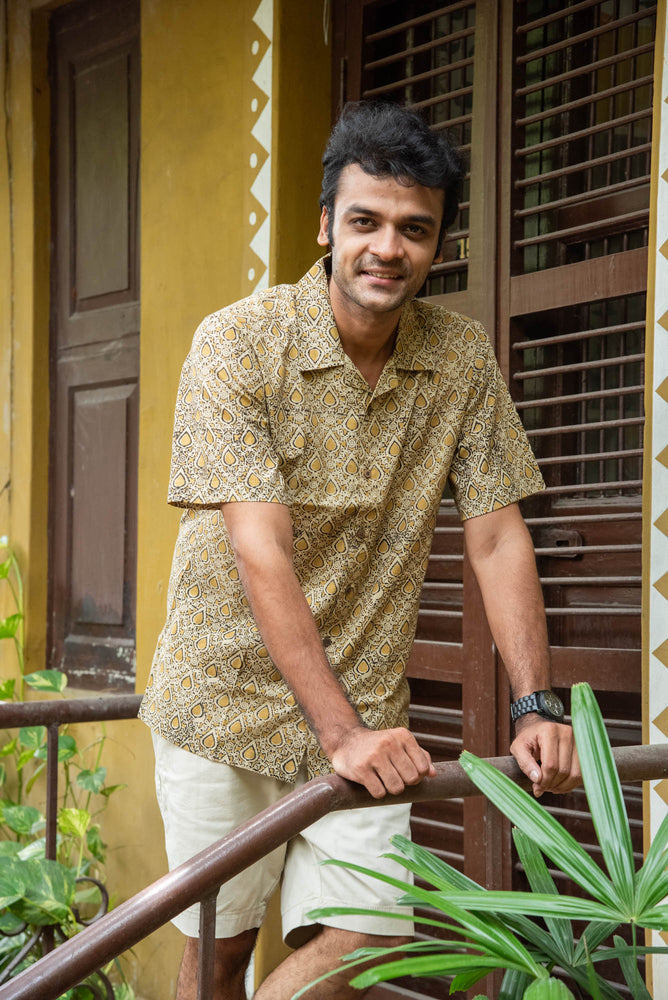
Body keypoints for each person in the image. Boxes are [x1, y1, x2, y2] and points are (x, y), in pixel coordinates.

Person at [139, 100, 580, 1000]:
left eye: (414, 229)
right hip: (224, 701)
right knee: (221, 949)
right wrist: (339, 734)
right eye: (366, 221)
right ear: (325, 226)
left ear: (439, 245)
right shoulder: (238, 344)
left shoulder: (461, 360)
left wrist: (535, 703)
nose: (387, 248)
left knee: (372, 939)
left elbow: (498, 535)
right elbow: (261, 547)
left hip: (369, 705)